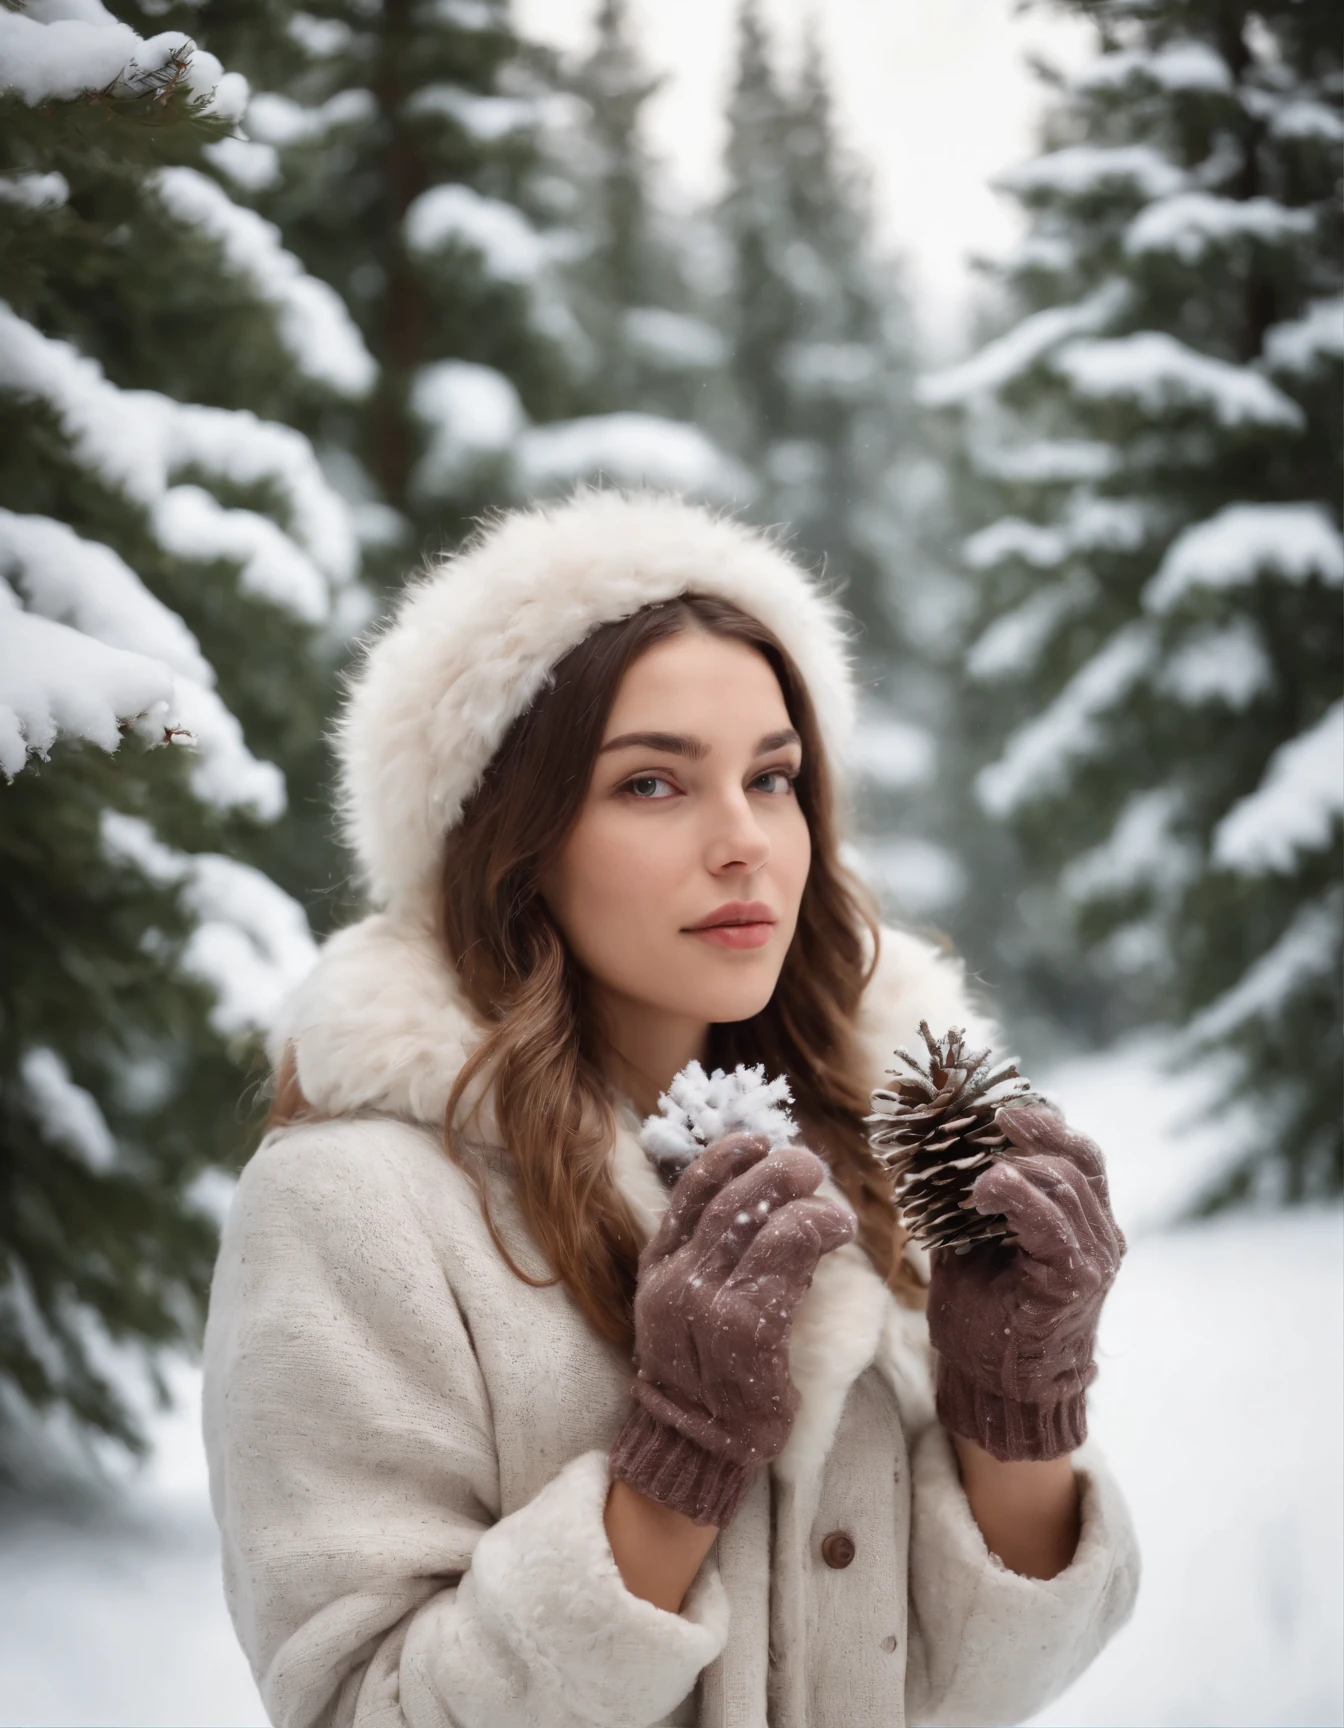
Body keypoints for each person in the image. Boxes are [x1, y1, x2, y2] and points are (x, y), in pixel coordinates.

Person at [203, 489, 1139, 1728]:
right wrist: (673, 1470)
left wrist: (1018, 1409)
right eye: (653, 784)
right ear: (510, 837)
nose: (745, 841)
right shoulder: (353, 1209)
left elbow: (967, 1694)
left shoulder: (877, 1156)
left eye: (775, 776)